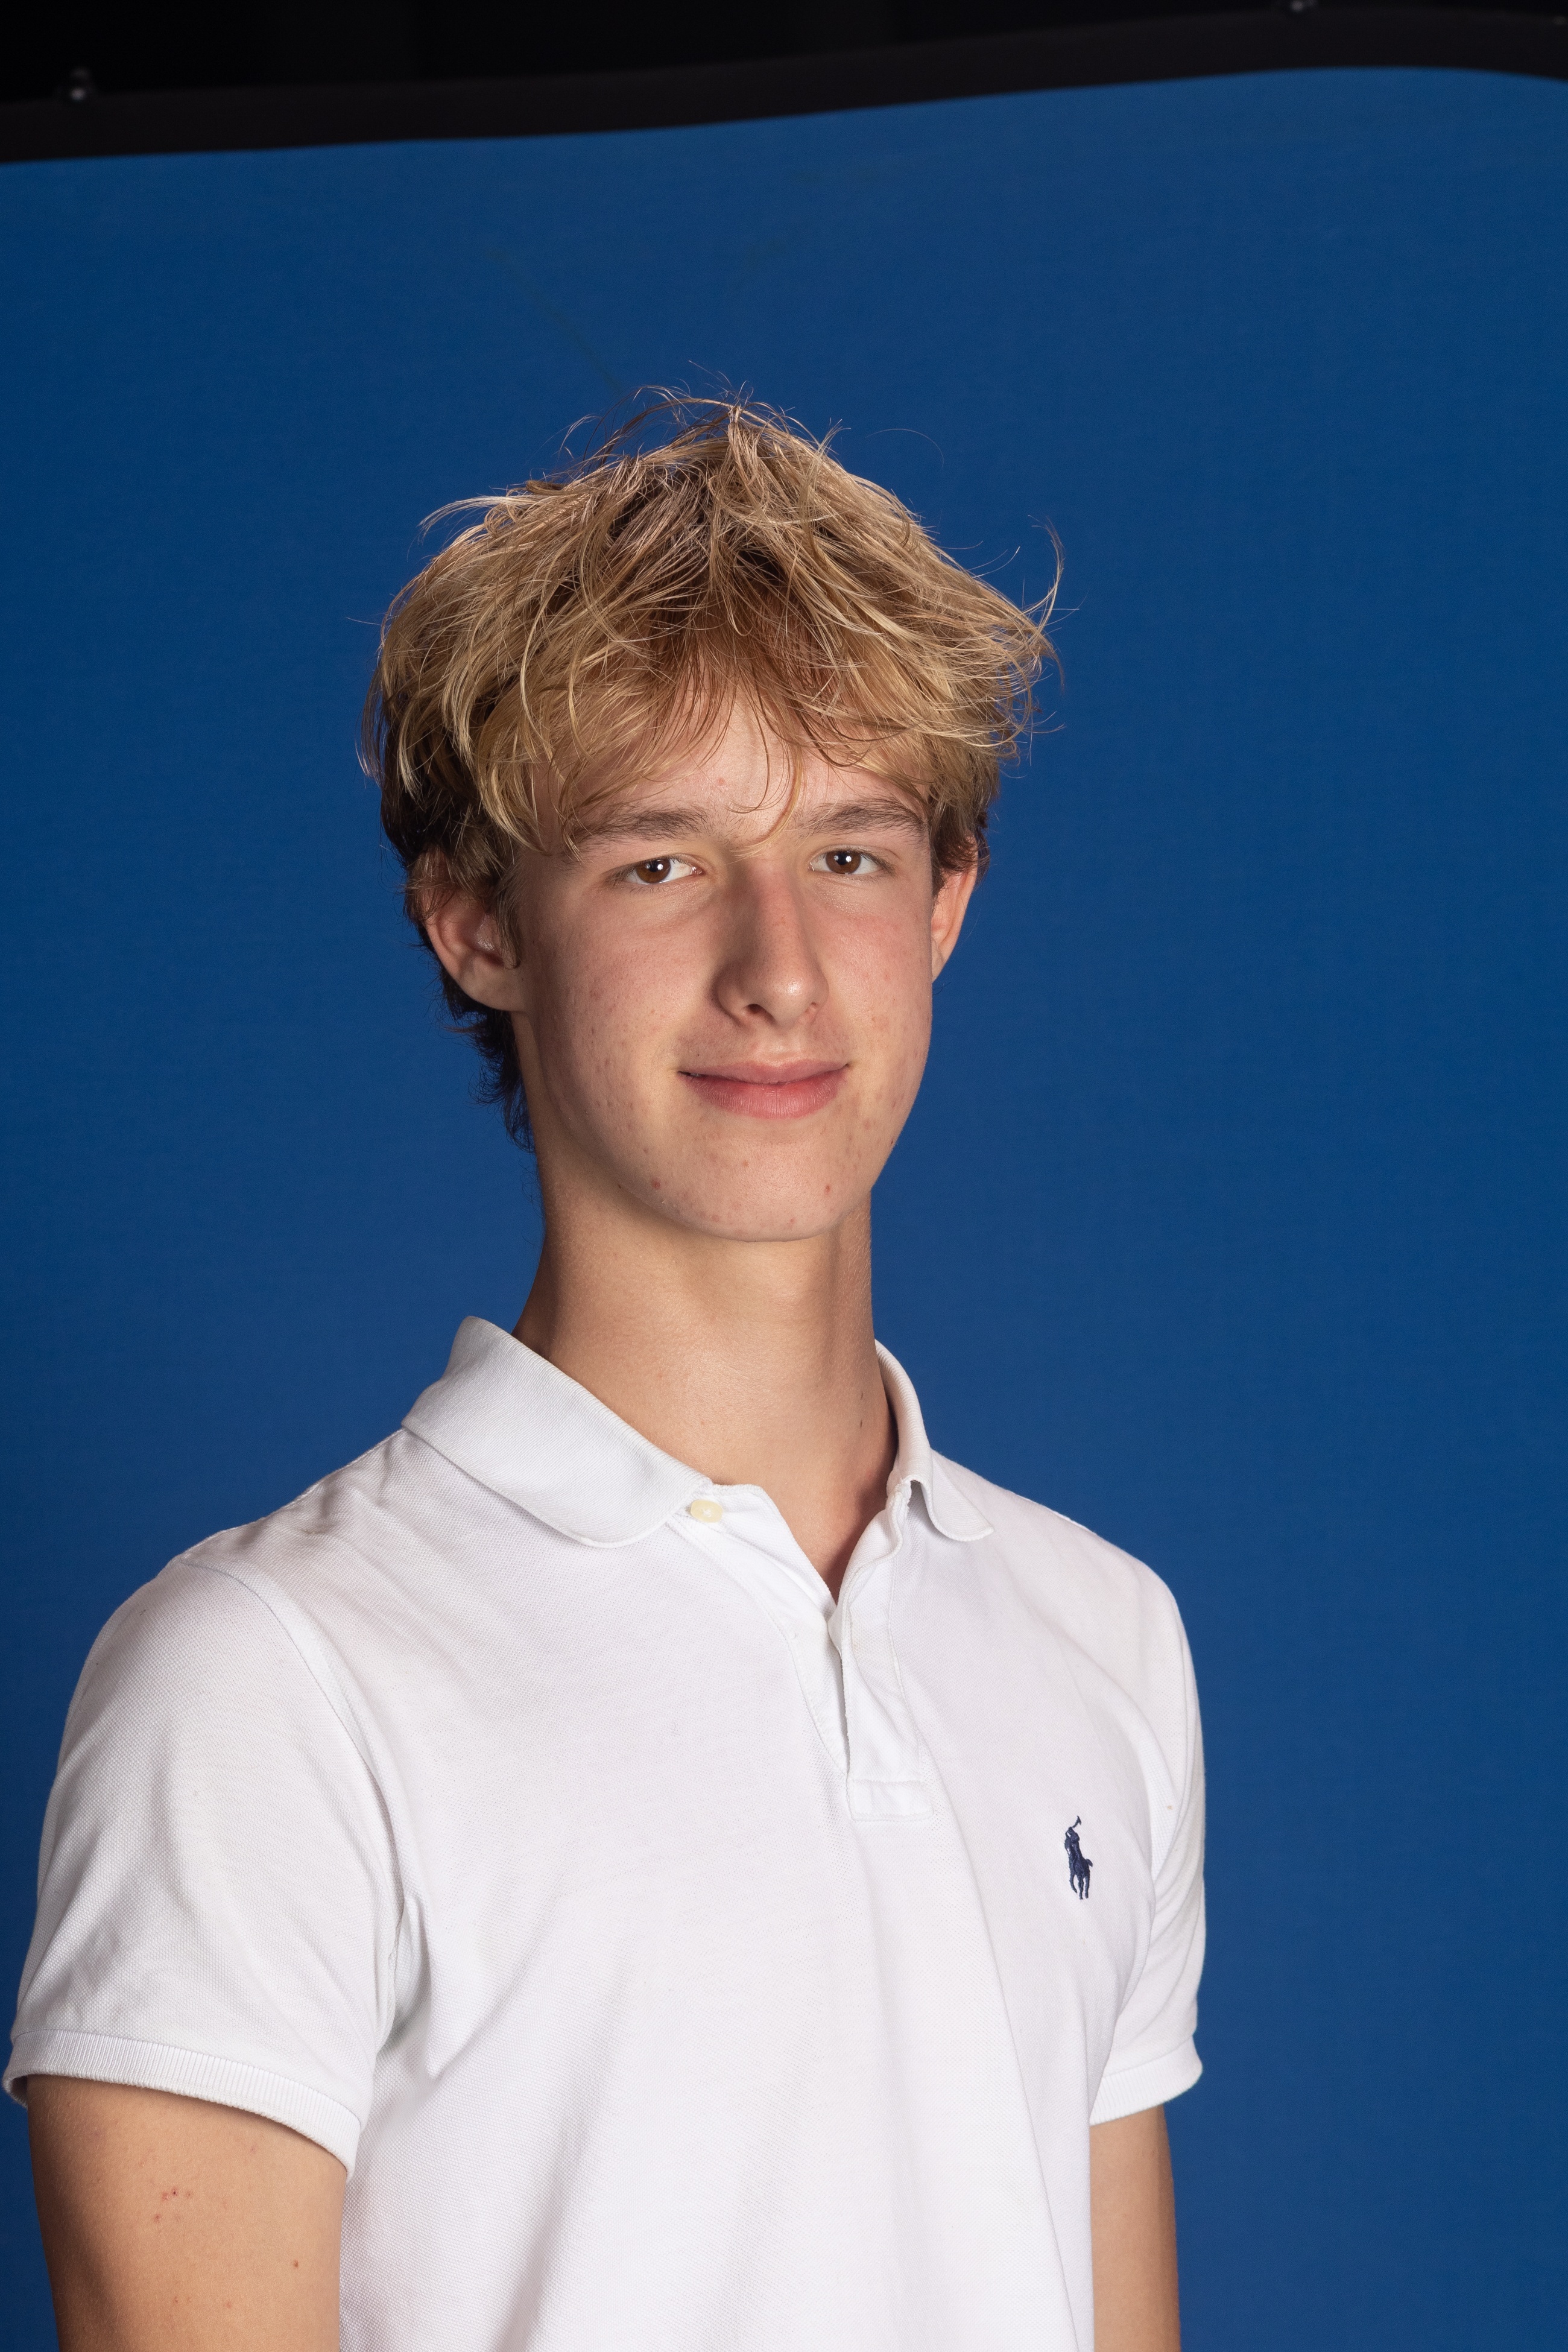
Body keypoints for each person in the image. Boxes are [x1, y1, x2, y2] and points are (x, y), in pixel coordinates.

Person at [10, 401, 1204, 2352]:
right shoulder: (264, 1683)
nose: (780, 969)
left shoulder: (1102, 1634)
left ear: (946, 903)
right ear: (478, 923)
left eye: (849, 851)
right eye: (661, 863)